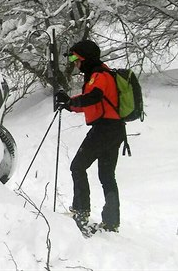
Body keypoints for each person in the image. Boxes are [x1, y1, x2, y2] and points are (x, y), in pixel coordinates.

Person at [55, 39, 126, 234]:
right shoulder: (101, 73)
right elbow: (94, 103)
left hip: (105, 130)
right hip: (114, 129)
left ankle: (81, 212)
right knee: (106, 176)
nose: (74, 63)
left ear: (85, 58)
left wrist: (70, 102)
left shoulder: (99, 75)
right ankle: (111, 222)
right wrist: (70, 105)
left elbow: (93, 97)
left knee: (77, 166)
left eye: (75, 58)